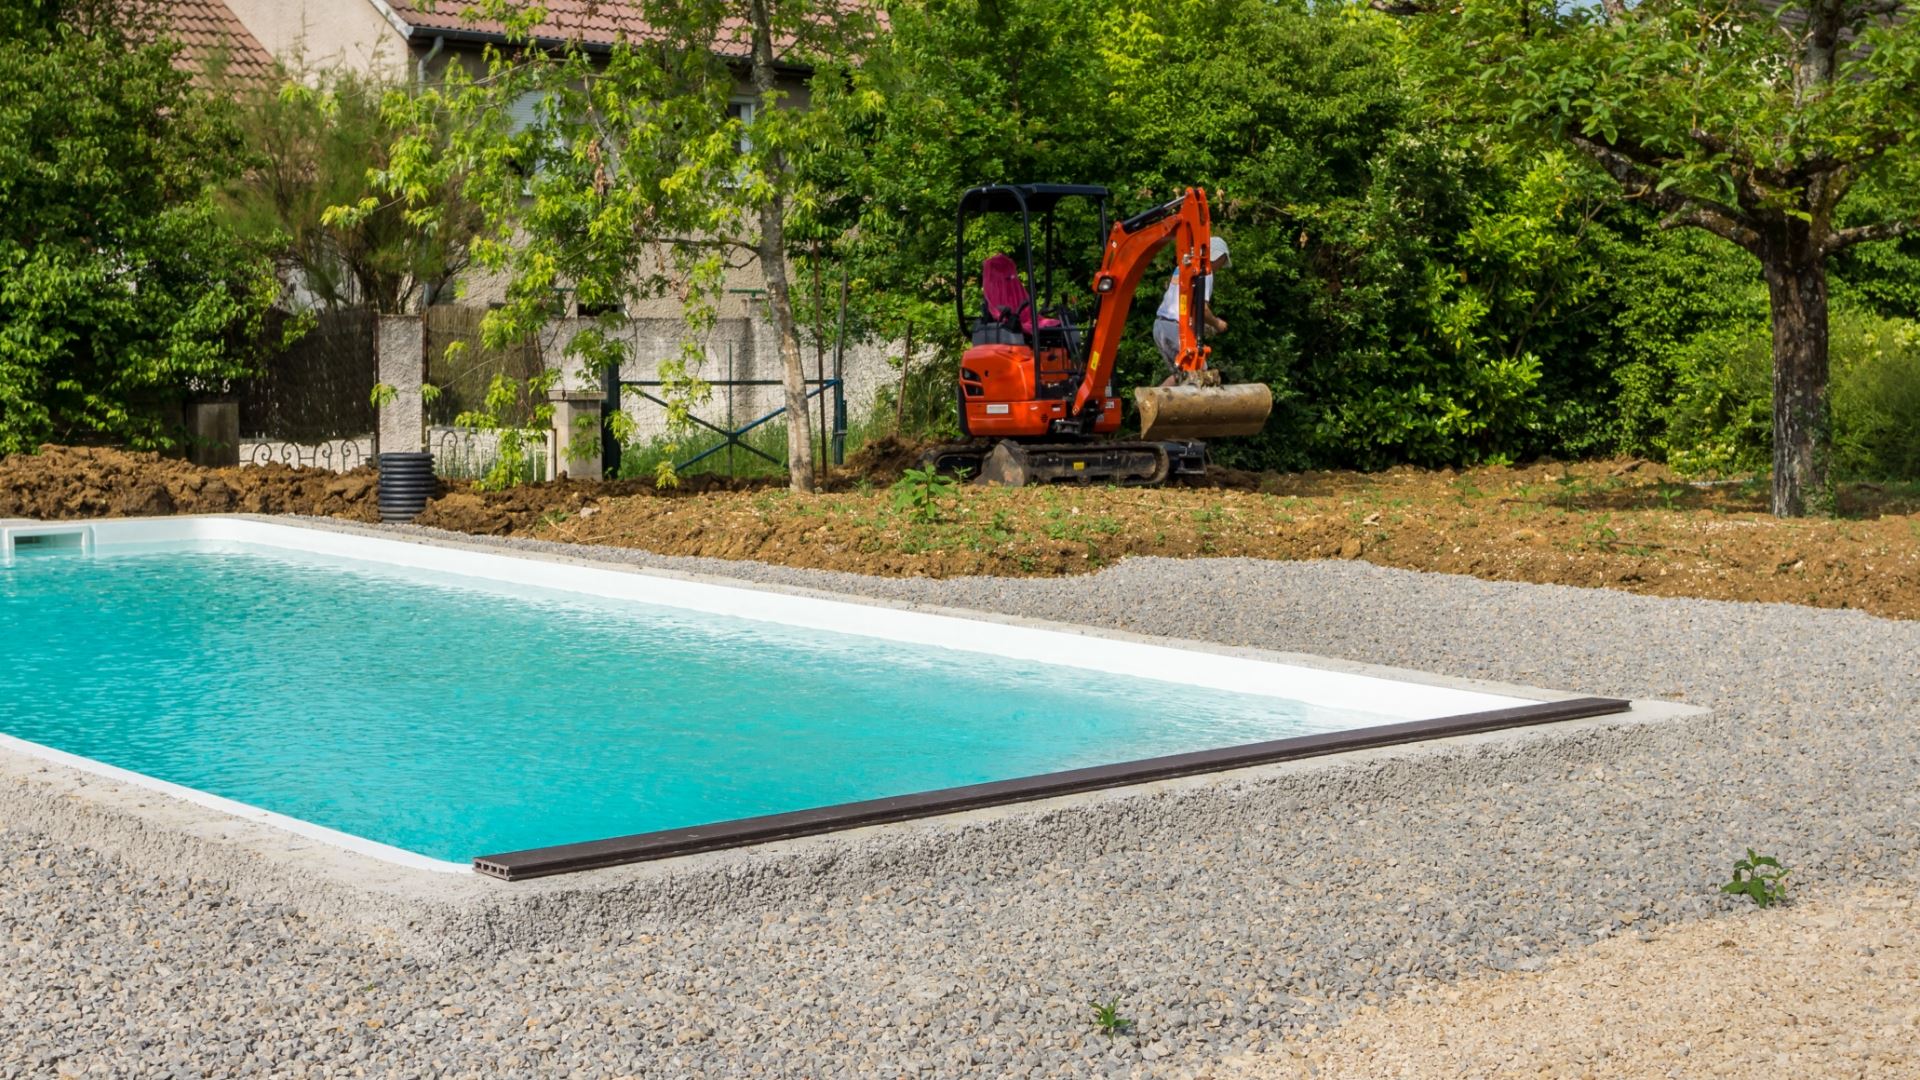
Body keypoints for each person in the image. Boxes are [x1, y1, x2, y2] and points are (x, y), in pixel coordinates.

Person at [1152, 237, 1229, 387]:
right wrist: (1217, 323)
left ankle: (1153, 401)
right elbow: (1203, 309)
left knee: (1182, 375)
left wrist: (1202, 326)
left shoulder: (1184, 266)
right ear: (1217, 255)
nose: (1221, 266)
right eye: (1223, 260)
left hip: (1161, 326)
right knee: (1200, 374)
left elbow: (1186, 304)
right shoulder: (1204, 271)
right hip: (1177, 328)